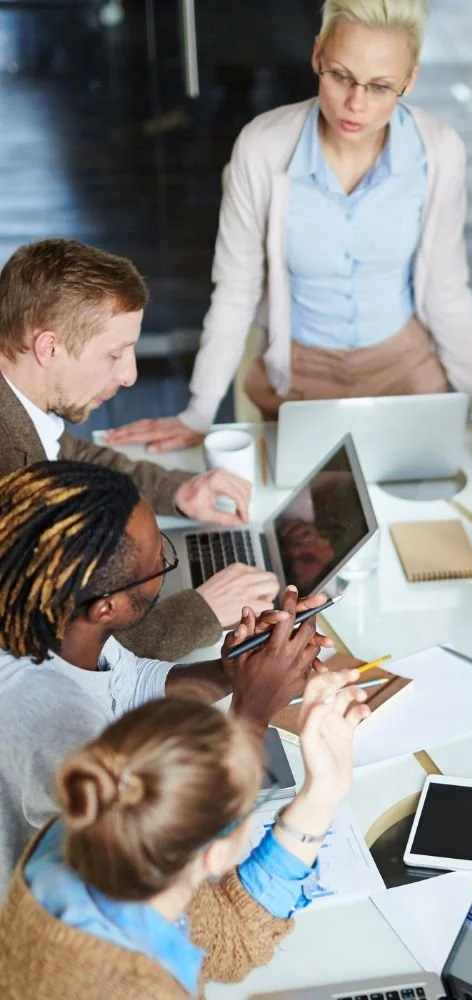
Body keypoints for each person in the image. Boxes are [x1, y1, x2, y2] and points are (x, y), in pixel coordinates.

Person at [106, 0, 472, 455]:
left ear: (409, 81)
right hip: (300, 379)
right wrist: (198, 412)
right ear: (316, 56)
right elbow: (236, 290)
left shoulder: (440, 151)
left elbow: (447, 288)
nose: (356, 103)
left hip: (408, 373)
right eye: (340, 76)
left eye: (380, 87)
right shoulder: (262, 147)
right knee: (305, 522)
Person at [0, 461, 348, 890]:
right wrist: (254, 707)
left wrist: (236, 669)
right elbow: (158, 859)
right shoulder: (64, 732)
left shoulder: (56, 624)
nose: (165, 560)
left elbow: (130, 685)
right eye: (157, 564)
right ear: (105, 608)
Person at [0, 670, 370, 997]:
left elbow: (229, 941)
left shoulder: (95, 831)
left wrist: (322, 793)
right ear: (215, 856)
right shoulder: (140, 989)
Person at [0, 238, 281, 660]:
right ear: (48, 347)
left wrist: (177, 492)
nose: (130, 374)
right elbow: (83, 639)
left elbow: (75, 455)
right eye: (114, 354)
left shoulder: (21, 408)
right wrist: (203, 611)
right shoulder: (11, 484)